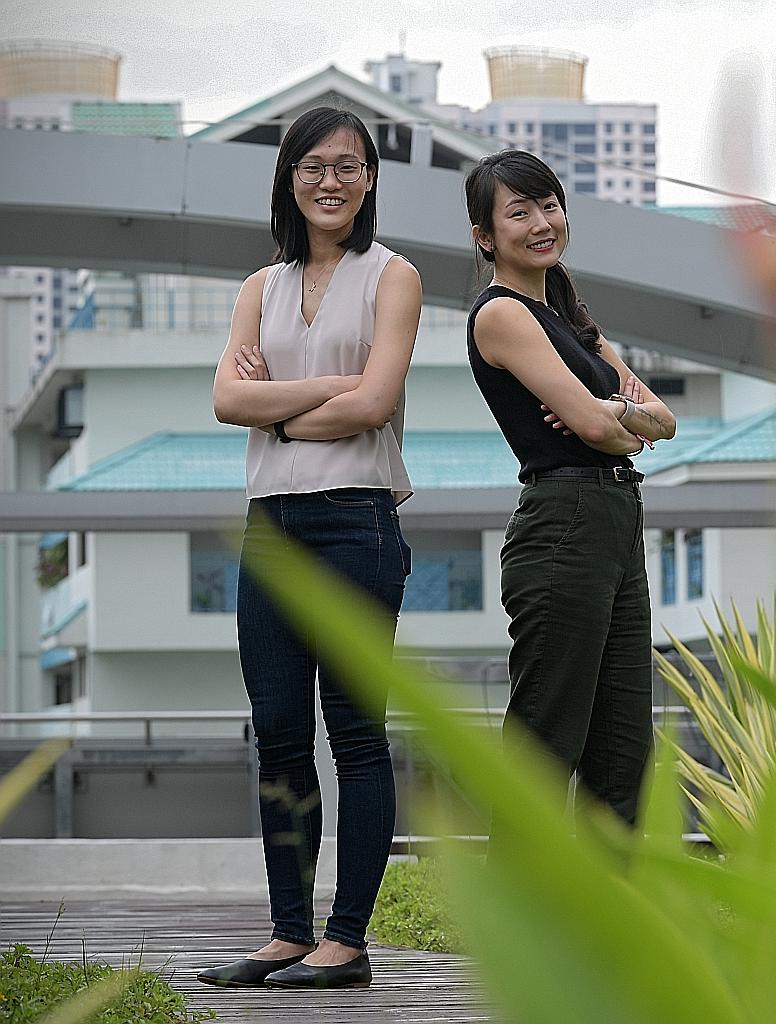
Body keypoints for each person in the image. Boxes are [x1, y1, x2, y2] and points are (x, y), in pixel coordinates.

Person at [199, 107, 419, 991]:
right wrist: (333, 386)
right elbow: (222, 399)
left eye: (349, 167)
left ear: (370, 180)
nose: (332, 181)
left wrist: (279, 407)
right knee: (281, 738)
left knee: (358, 736)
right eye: (314, 167)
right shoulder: (261, 284)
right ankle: (288, 933)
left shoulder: (392, 276)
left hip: (357, 518)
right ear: (289, 178)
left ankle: (348, 941)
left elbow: (376, 406)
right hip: (271, 528)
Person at [464, 150, 676, 830]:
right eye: (518, 212)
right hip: (563, 522)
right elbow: (589, 423)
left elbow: (666, 421)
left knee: (623, 746)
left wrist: (616, 415)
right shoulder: (501, 315)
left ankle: (606, 921)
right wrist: (611, 413)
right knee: (546, 739)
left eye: (549, 205)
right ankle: (519, 922)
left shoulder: (572, 320)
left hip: (616, 519)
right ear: (485, 236)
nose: (541, 223)